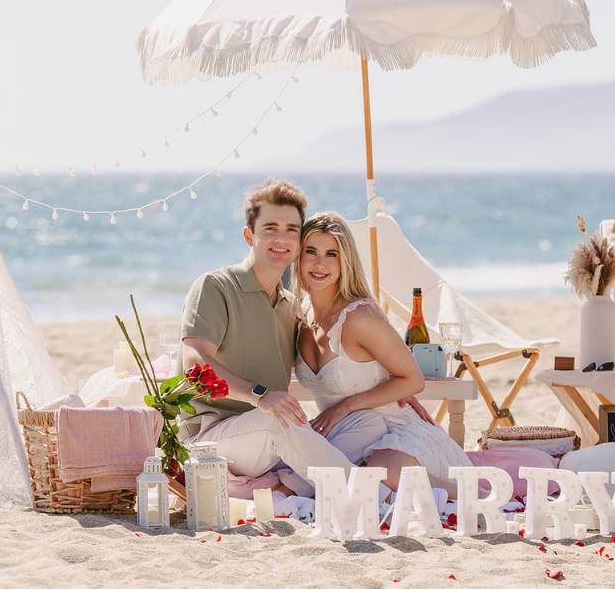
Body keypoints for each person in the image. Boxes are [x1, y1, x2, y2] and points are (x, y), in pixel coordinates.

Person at [178, 179, 388, 497]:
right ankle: (372, 497)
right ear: (249, 235)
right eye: (271, 228)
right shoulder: (215, 286)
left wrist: (391, 383)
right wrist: (260, 395)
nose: (282, 239)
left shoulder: (290, 305)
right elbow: (195, 368)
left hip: (268, 435)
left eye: (292, 229)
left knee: (367, 424)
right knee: (277, 421)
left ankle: (288, 486)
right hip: (213, 439)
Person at [294, 211, 472, 497]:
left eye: (331, 254)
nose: (319, 263)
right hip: (344, 436)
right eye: (310, 252)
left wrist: (345, 406)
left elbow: (413, 380)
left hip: (394, 432)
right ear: (297, 257)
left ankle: (464, 495)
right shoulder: (298, 315)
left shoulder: (359, 318)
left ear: (345, 262)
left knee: (383, 472)